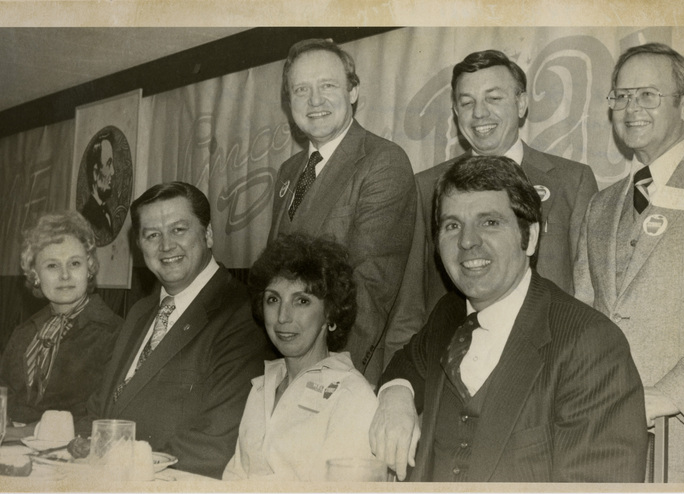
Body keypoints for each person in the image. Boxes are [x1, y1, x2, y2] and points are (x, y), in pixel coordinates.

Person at [370, 156, 647, 482]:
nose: (467, 241)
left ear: (528, 238)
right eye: (452, 225)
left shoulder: (591, 345)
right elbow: (404, 366)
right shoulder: (449, 313)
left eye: (490, 222)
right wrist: (395, 394)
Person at [573, 43, 684, 483]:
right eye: (622, 95)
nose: (631, 107)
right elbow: (583, 319)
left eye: (647, 95)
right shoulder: (600, 204)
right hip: (602, 435)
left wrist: (667, 396)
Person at [385, 49, 598, 368]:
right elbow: (409, 308)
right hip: (452, 370)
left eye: (493, 98)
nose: (479, 113)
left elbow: (588, 297)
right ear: (456, 111)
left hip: (546, 369)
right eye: (467, 102)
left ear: (522, 103)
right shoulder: (427, 187)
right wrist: (397, 382)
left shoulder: (572, 181)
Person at [80, 182, 271, 479]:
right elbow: (101, 410)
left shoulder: (244, 314)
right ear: (139, 245)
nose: (166, 246)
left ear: (207, 235)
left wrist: (122, 468)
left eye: (179, 230)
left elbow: (216, 442)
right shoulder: (139, 312)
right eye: (152, 235)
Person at [269, 38, 416, 384]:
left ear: (353, 92)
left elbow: (368, 292)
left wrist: (320, 379)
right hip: (288, 368)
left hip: (342, 372)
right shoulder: (289, 172)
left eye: (328, 86)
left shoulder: (383, 162)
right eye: (301, 89)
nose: (315, 100)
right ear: (289, 101)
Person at [223, 234, 378, 481]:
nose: (283, 316)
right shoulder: (261, 387)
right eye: (273, 299)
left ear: (330, 313)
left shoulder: (350, 396)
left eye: (302, 301)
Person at [0, 211, 122, 428]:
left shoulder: (115, 333)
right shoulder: (22, 334)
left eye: (74, 263)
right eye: (52, 266)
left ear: (90, 269)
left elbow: (104, 416)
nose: (64, 275)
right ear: (35, 274)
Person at [81, 131, 115, 239]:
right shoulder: (88, 215)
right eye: (109, 164)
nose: (113, 172)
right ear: (95, 173)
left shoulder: (106, 211)